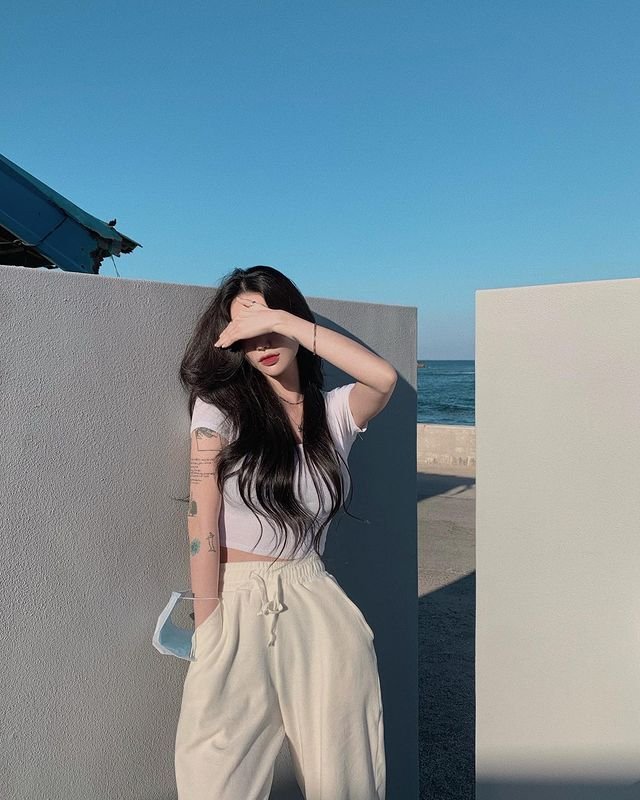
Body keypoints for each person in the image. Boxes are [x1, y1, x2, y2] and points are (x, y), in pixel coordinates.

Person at [174, 265, 397, 800]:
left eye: (269, 325)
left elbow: (383, 379)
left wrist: (283, 321)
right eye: (246, 331)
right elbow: (201, 518)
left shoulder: (334, 413)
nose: (262, 343)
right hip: (235, 601)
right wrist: (208, 622)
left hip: (314, 598)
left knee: (344, 775)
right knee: (214, 778)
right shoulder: (220, 409)